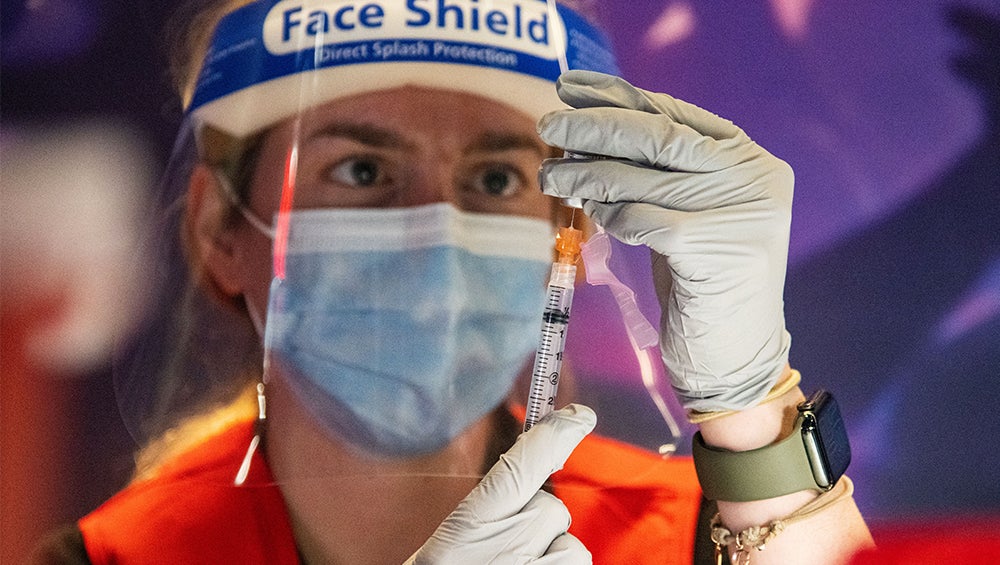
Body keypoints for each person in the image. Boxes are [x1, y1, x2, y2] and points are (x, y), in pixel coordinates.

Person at [31, 0, 873, 563]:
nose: (436, 232)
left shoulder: (676, 533)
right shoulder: (114, 558)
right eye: (361, 168)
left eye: (500, 178)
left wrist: (754, 408)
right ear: (219, 227)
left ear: (562, 233)